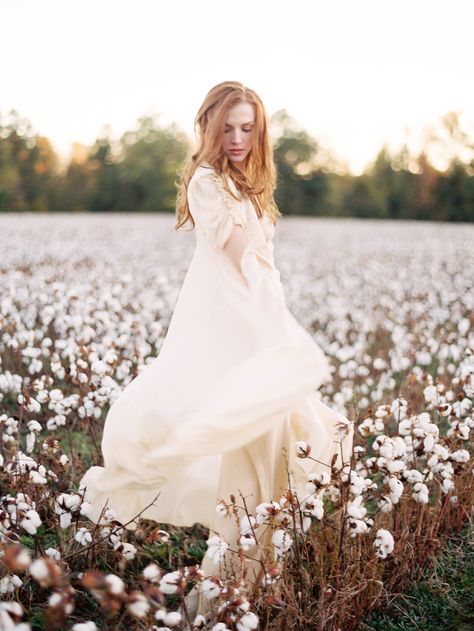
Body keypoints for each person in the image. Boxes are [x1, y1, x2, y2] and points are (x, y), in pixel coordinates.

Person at [79, 80, 353, 622]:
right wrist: (274, 315)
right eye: (226, 127)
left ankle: (251, 577)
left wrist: (274, 312)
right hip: (239, 330)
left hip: (259, 325)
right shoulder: (208, 182)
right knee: (248, 450)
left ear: (260, 130)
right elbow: (238, 255)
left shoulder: (250, 184)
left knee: (274, 449)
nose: (236, 137)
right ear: (208, 127)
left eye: (247, 127)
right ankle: (231, 585)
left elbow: (261, 262)